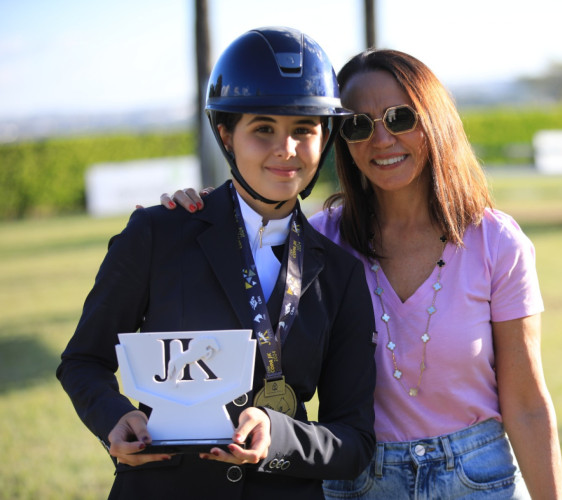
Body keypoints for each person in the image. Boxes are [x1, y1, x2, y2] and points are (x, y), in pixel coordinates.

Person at [168, 49, 562, 499]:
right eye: (358, 124)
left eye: (400, 117)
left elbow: (528, 404)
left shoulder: (497, 242)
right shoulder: (316, 244)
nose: (381, 139)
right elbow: (237, 293)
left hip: (478, 478)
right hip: (359, 479)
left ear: (436, 118)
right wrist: (192, 219)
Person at [57, 27, 376, 500]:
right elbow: (83, 361)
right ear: (226, 134)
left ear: (324, 137)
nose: (285, 150)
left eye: (303, 130)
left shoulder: (342, 275)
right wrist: (113, 419)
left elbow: (354, 441)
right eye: (263, 128)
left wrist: (278, 434)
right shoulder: (155, 233)